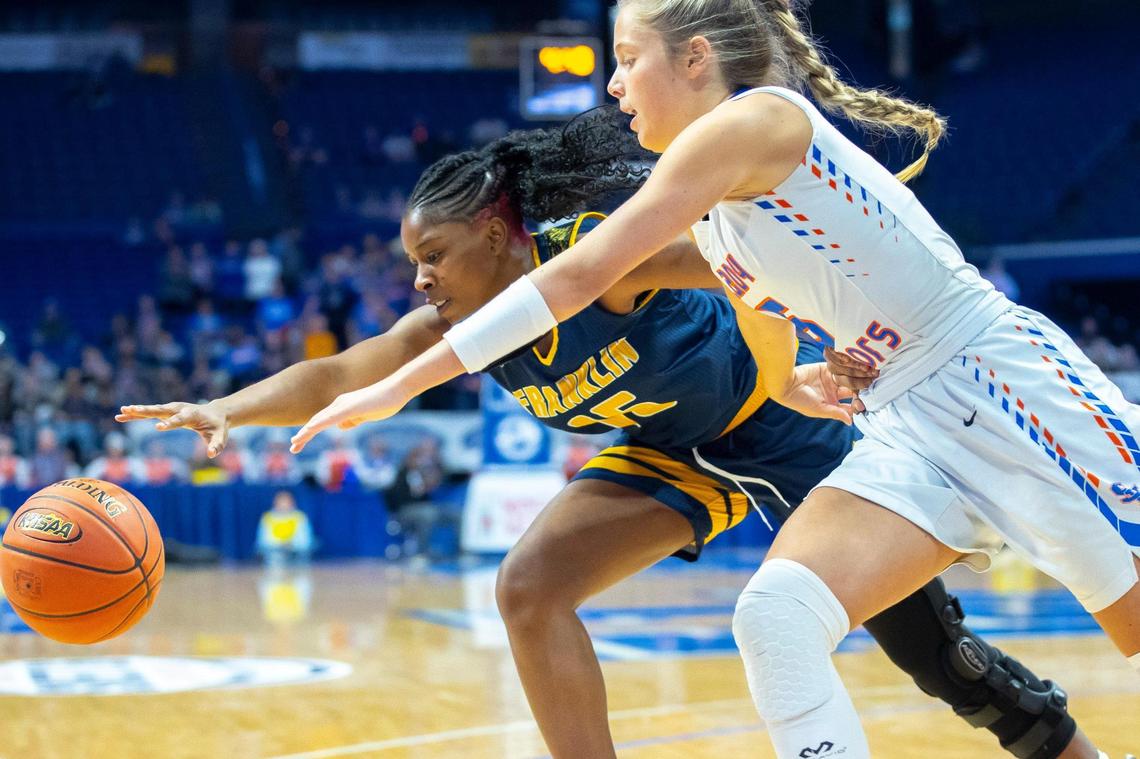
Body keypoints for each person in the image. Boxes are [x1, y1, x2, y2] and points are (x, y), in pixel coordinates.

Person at [289, 2, 1139, 757]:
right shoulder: (723, 229)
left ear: (694, 59)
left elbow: (575, 276)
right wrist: (810, 379)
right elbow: (772, 361)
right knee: (776, 616)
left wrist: (404, 381)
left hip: (1002, 385)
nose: (613, 83)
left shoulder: (753, 122)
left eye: (628, 58)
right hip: (908, 424)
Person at [121, 111, 1092, 759]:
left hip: (783, 428)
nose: (418, 278)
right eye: (410, 260)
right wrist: (227, 409)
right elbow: (338, 374)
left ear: (503, 235)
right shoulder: (453, 333)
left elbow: (734, 253)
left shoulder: (597, 262)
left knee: (943, 665)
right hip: (668, 454)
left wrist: (815, 350)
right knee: (529, 588)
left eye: (434, 254)